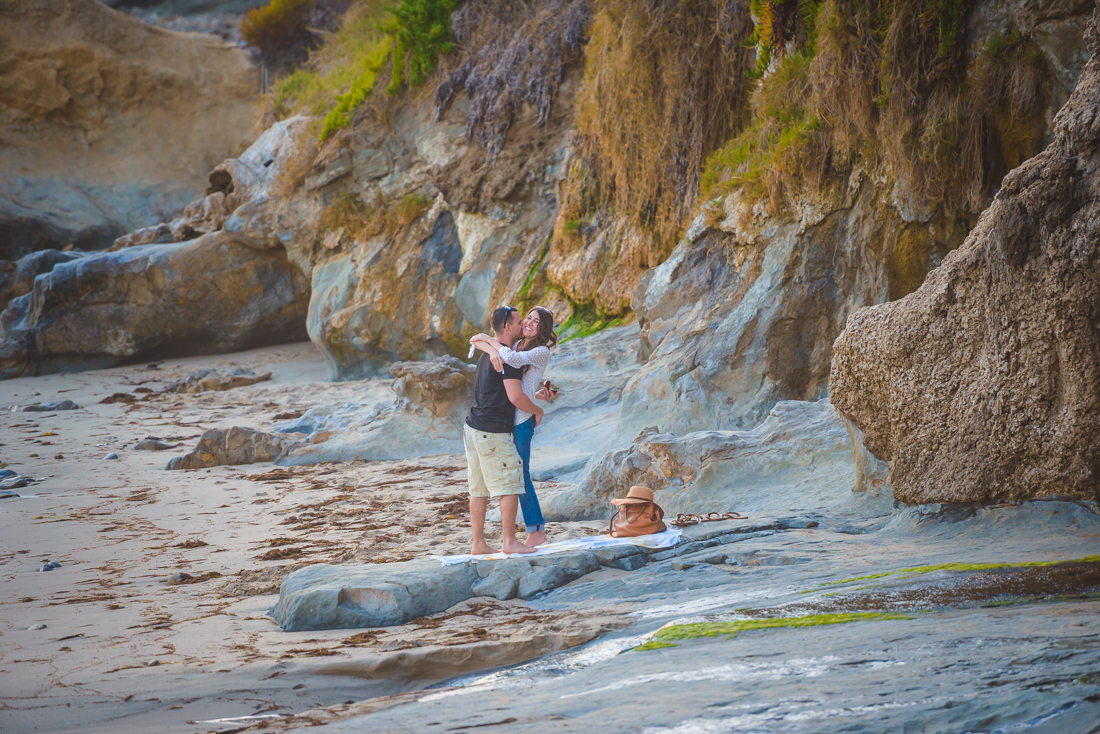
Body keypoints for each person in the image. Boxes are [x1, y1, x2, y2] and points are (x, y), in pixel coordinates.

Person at [469, 306, 558, 547]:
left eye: (535, 321)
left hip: (521, 421)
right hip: (511, 417)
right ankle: (532, 531)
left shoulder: (539, 351)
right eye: (527, 318)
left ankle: (536, 531)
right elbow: (474, 341)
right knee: (518, 474)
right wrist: (538, 396)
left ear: (543, 328)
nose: (528, 322)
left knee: (521, 475)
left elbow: (511, 360)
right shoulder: (518, 345)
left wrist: (490, 341)